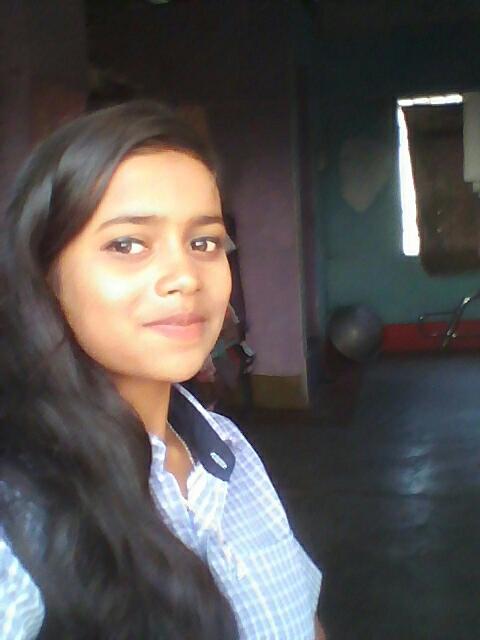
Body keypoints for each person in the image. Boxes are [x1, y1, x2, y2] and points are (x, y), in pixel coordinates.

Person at [0, 101, 323, 639]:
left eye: (204, 242)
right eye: (127, 244)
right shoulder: (22, 504)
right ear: (45, 273)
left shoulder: (227, 450)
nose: (186, 277)